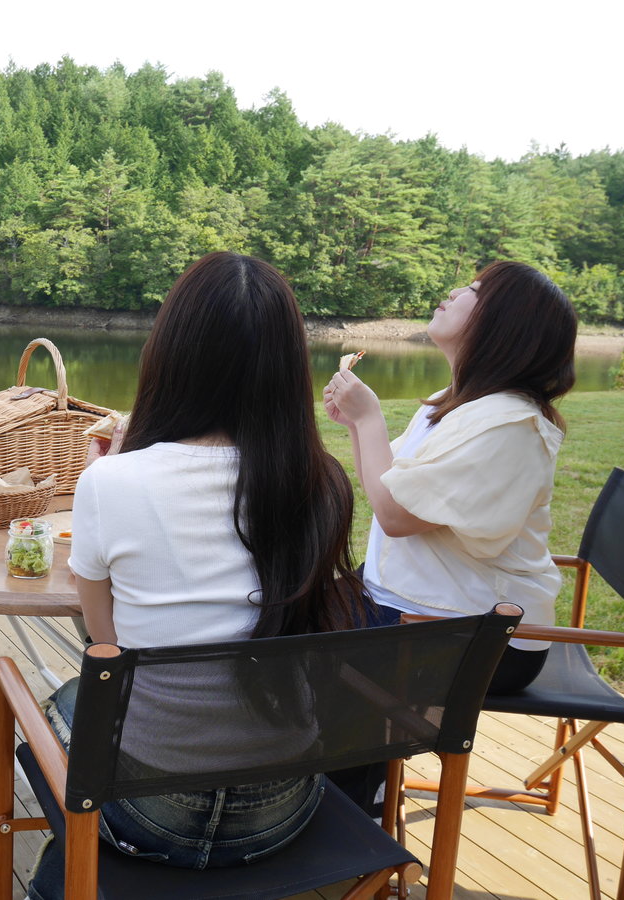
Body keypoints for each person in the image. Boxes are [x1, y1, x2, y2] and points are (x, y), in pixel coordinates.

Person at [26, 251, 368, 899]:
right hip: (282, 809)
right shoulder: (322, 482)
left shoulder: (111, 481)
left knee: (62, 698)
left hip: (149, 814)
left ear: (171, 355)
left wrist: (114, 471)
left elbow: (105, 646)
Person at [323, 260, 578, 694]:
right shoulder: (456, 401)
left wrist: (369, 419)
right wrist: (354, 424)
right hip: (419, 603)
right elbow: (390, 486)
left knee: (286, 651)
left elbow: (396, 517)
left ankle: (356, 738)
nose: (456, 291)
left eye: (474, 291)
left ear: (504, 327)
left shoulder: (510, 428)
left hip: (480, 635)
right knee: (277, 615)